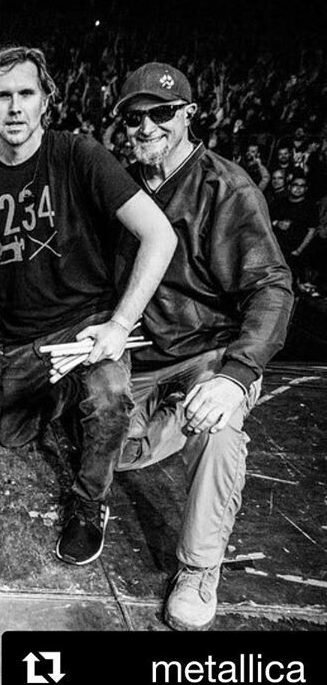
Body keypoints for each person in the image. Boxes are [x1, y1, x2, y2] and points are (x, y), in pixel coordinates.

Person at [0, 46, 177, 566]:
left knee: (110, 396)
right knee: (2, 434)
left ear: (46, 100)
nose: (15, 107)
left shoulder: (77, 154)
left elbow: (159, 235)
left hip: (84, 325)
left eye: (27, 93)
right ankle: (61, 396)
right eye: (2, 95)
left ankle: (89, 503)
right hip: (15, 339)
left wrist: (120, 324)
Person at [113, 62, 293, 630]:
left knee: (216, 429)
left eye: (161, 113)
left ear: (189, 114)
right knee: (107, 449)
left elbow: (272, 286)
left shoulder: (225, 187)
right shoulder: (122, 185)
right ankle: (170, 420)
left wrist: (236, 375)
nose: (146, 127)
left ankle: (198, 567)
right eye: (134, 117)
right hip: (142, 354)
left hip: (209, 353)